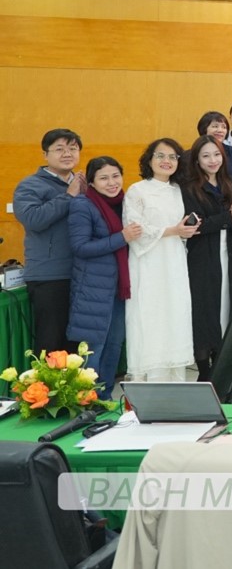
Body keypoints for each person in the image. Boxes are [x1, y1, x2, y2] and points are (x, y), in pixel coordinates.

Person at [123, 139, 198, 382]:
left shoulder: (179, 190)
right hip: (148, 262)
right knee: (150, 315)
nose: (167, 161)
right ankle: (148, 380)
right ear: (149, 159)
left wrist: (185, 231)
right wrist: (173, 230)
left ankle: (175, 379)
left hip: (175, 260)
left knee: (174, 313)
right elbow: (135, 229)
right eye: (161, 156)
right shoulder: (137, 190)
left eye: (173, 157)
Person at [67, 156, 142, 398]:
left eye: (115, 176)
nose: (112, 183)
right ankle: (87, 400)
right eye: (103, 178)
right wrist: (122, 237)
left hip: (119, 287)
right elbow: (81, 247)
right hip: (93, 288)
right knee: (93, 347)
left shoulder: (125, 203)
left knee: (114, 345)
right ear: (92, 182)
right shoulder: (83, 204)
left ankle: (105, 397)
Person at [180, 136, 232, 381]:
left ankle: (221, 366)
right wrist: (230, 217)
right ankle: (204, 371)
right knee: (204, 310)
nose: (212, 160)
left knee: (225, 308)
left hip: (227, 254)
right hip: (202, 257)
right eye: (206, 155)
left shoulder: (228, 184)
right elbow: (196, 226)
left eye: (217, 154)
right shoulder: (190, 189)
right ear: (197, 160)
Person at [15, 128, 85, 354]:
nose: (67, 154)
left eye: (73, 148)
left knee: (77, 345)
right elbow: (33, 220)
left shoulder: (84, 185)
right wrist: (68, 196)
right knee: (51, 343)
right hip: (49, 276)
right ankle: (44, 380)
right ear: (45, 154)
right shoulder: (30, 185)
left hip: (82, 273)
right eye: (59, 149)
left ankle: (76, 380)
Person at [197, 110, 232, 180]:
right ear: (204, 129)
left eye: (224, 127)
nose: (220, 130)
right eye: (215, 126)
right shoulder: (191, 154)